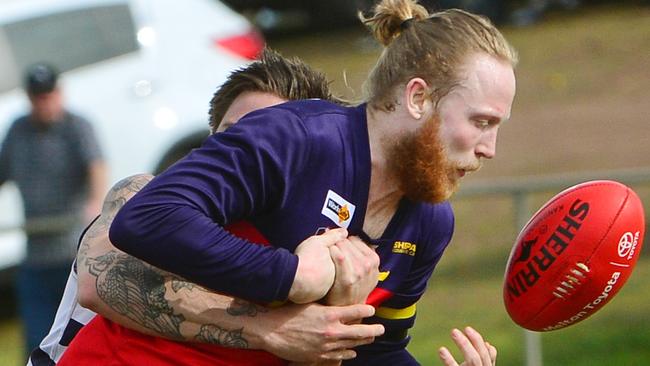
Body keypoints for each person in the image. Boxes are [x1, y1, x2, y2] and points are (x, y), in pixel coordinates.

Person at [108, 0, 518, 363]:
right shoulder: (297, 139)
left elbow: (373, 348)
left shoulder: (429, 222)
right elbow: (147, 218)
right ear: (417, 98)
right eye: (481, 122)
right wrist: (292, 276)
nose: (490, 148)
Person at [29, 49, 384, 366]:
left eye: (270, 141)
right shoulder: (144, 196)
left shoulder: (310, 250)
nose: (250, 152)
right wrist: (265, 329)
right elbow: (102, 284)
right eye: (234, 134)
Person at [0, 63, 107, 355]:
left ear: (59, 93)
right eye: (38, 97)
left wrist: (94, 203)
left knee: (77, 343)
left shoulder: (77, 127)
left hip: (72, 255)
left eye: (49, 95)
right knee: (36, 341)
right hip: (36, 255)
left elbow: (96, 166)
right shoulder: (18, 130)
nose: (44, 103)